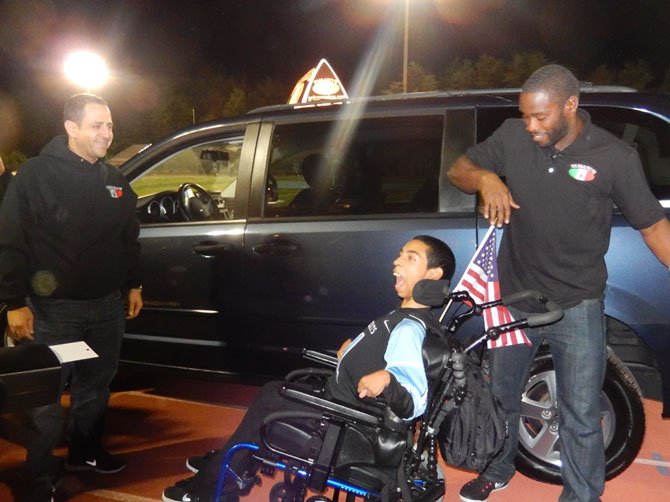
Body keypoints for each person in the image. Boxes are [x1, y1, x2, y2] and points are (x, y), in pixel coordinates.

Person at [447, 64, 670, 502]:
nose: (531, 126)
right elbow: (459, 169)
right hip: (514, 298)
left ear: (571, 105)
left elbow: (653, 226)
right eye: (526, 115)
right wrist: (487, 178)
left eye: (541, 117)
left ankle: (582, 496)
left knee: (580, 412)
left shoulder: (614, 157)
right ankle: (498, 468)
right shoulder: (512, 135)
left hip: (577, 303)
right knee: (501, 396)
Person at [161, 235, 455, 502]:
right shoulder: (403, 317)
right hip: (341, 411)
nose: (397, 261)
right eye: (400, 254)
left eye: (410, 258)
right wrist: (350, 355)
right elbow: (381, 356)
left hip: (347, 432)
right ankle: (228, 462)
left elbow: (415, 402)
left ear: (433, 275)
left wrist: (389, 381)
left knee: (272, 396)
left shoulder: (408, 329)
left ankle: (213, 488)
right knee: (274, 392)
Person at [0, 94, 143, 502]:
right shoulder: (34, 175)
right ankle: (40, 475)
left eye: (110, 125)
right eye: (97, 125)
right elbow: (10, 242)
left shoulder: (113, 179)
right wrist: (14, 302)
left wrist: (134, 284)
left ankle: (85, 453)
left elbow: (127, 239)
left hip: (106, 307)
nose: (107, 133)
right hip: (53, 309)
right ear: (71, 127)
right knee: (46, 396)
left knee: (96, 387)